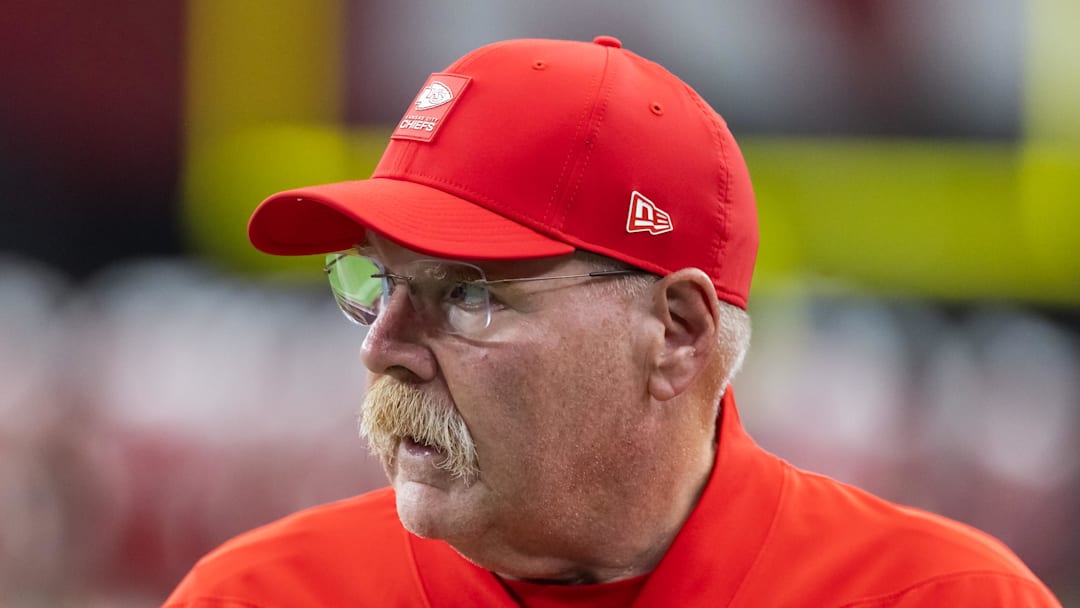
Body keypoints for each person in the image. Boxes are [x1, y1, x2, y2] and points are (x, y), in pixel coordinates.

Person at [164, 36, 1061, 607]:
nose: (381, 347)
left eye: (469, 294)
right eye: (378, 282)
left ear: (676, 331)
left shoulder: (937, 597)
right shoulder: (259, 595)